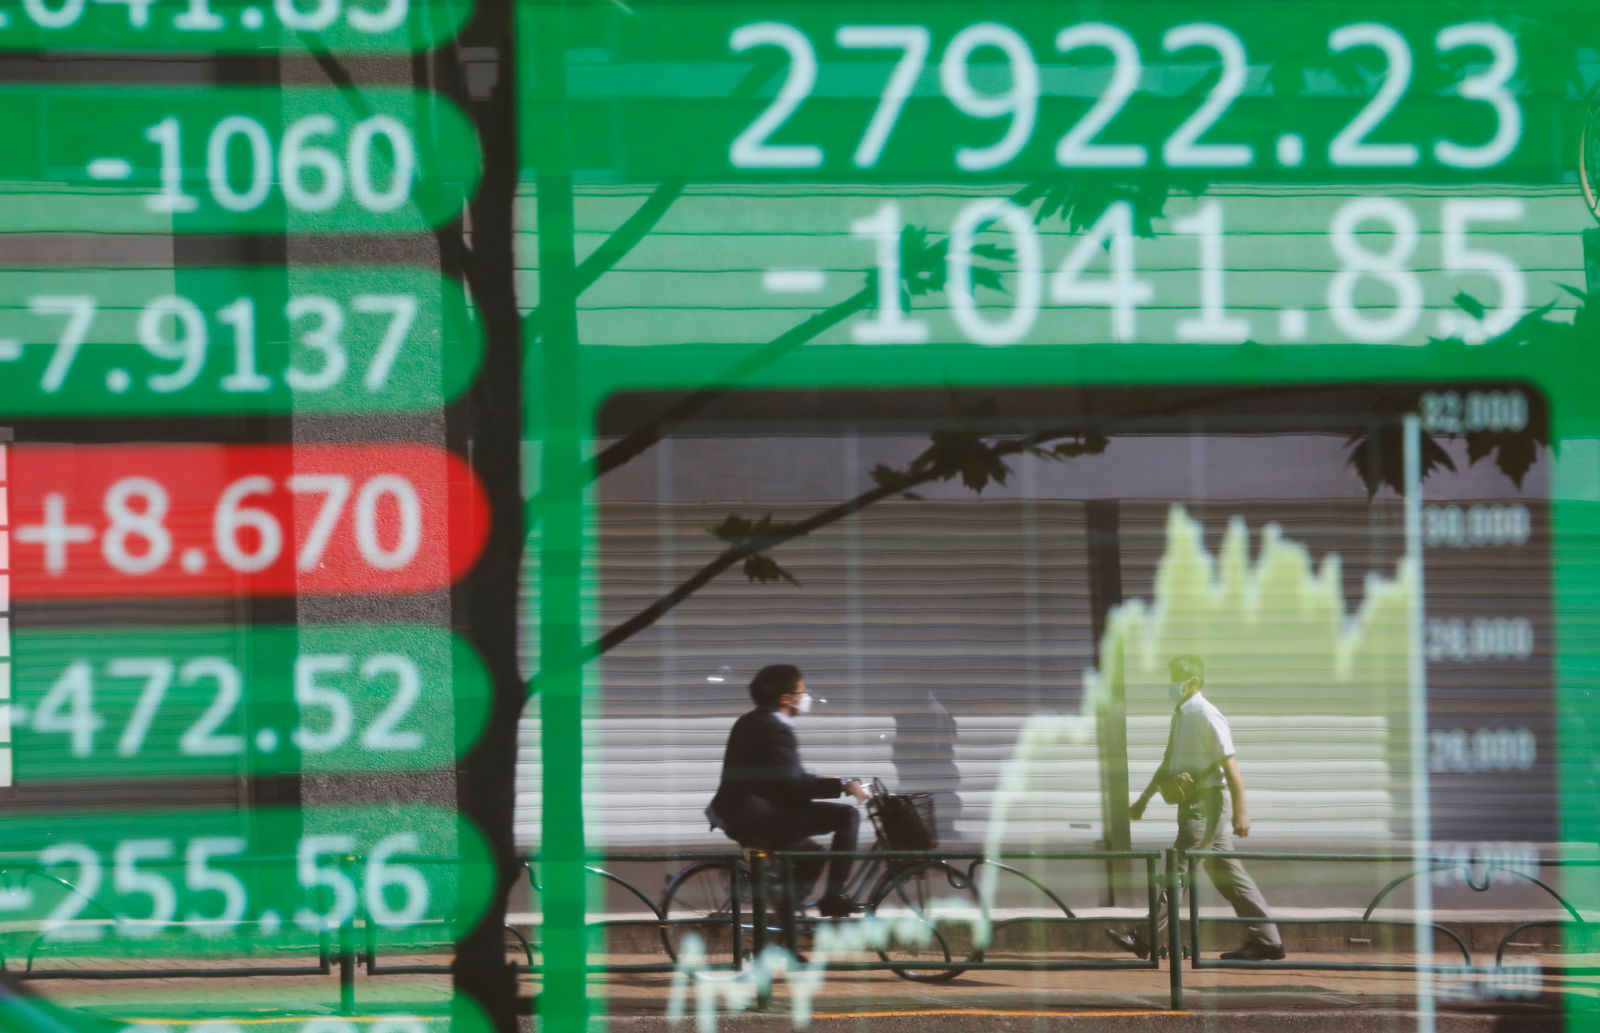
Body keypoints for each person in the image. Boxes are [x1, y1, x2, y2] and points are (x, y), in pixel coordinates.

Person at [1106, 654, 1286, 961]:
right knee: (1230, 876)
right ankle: (1267, 940)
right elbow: (1167, 765)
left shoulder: (1205, 714)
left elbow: (1231, 767)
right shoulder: (1182, 715)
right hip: (1195, 806)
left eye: (1177, 677)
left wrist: (1242, 811)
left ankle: (1143, 937)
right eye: (1171, 676)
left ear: (1194, 683)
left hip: (1204, 807)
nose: (1171, 684)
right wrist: (1143, 799)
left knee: (1178, 872)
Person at [710, 664, 871, 919]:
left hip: (741, 813)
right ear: (786, 699)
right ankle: (832, 897)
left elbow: (784, 777)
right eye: (802, 692)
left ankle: (787, 922)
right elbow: (792, 787)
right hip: (759, 818)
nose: (806, 698)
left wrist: (835, 782)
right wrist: (841, 786)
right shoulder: (775, 729)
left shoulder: (751, 721)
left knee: (813, 857)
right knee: (847, 816)